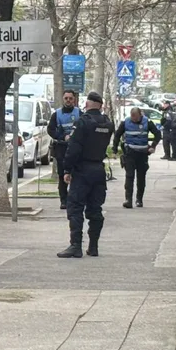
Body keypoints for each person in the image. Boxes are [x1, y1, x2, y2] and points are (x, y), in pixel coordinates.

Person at [58, 91, 114, 258]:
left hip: (82, 170)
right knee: (95, 209)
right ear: (101, 105)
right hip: (98, 170)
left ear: (87, 104)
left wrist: (67, 169)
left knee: (75, 207)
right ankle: (93, 246)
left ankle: (76, 245)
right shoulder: (107, 123)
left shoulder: (83, 122)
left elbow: (74, 148)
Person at [113, 106, 161, 208]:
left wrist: (153, 146)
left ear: (140, 115)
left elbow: (158, 134)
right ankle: (128, 200)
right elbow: (117, 135)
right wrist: (115, 149)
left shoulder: (147, 122)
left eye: (136, 117)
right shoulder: (125, 122)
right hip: (130, 153)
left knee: (141, 178)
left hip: (142, 154)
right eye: (132, 117)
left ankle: (139, 199)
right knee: (129, 176)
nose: (134, 119)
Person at [47, 90, 81, 209]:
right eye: (66, 98)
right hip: (61, 148)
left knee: (76, 174)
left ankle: (75, 199)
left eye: (70, 98)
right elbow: (50, 130)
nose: (68, 101)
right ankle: (64, 200)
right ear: (63, 99)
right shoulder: (56, 114)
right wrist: (62, 137)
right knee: (62, 175)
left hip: (76, 148)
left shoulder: (79, 113)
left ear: (74, 100)